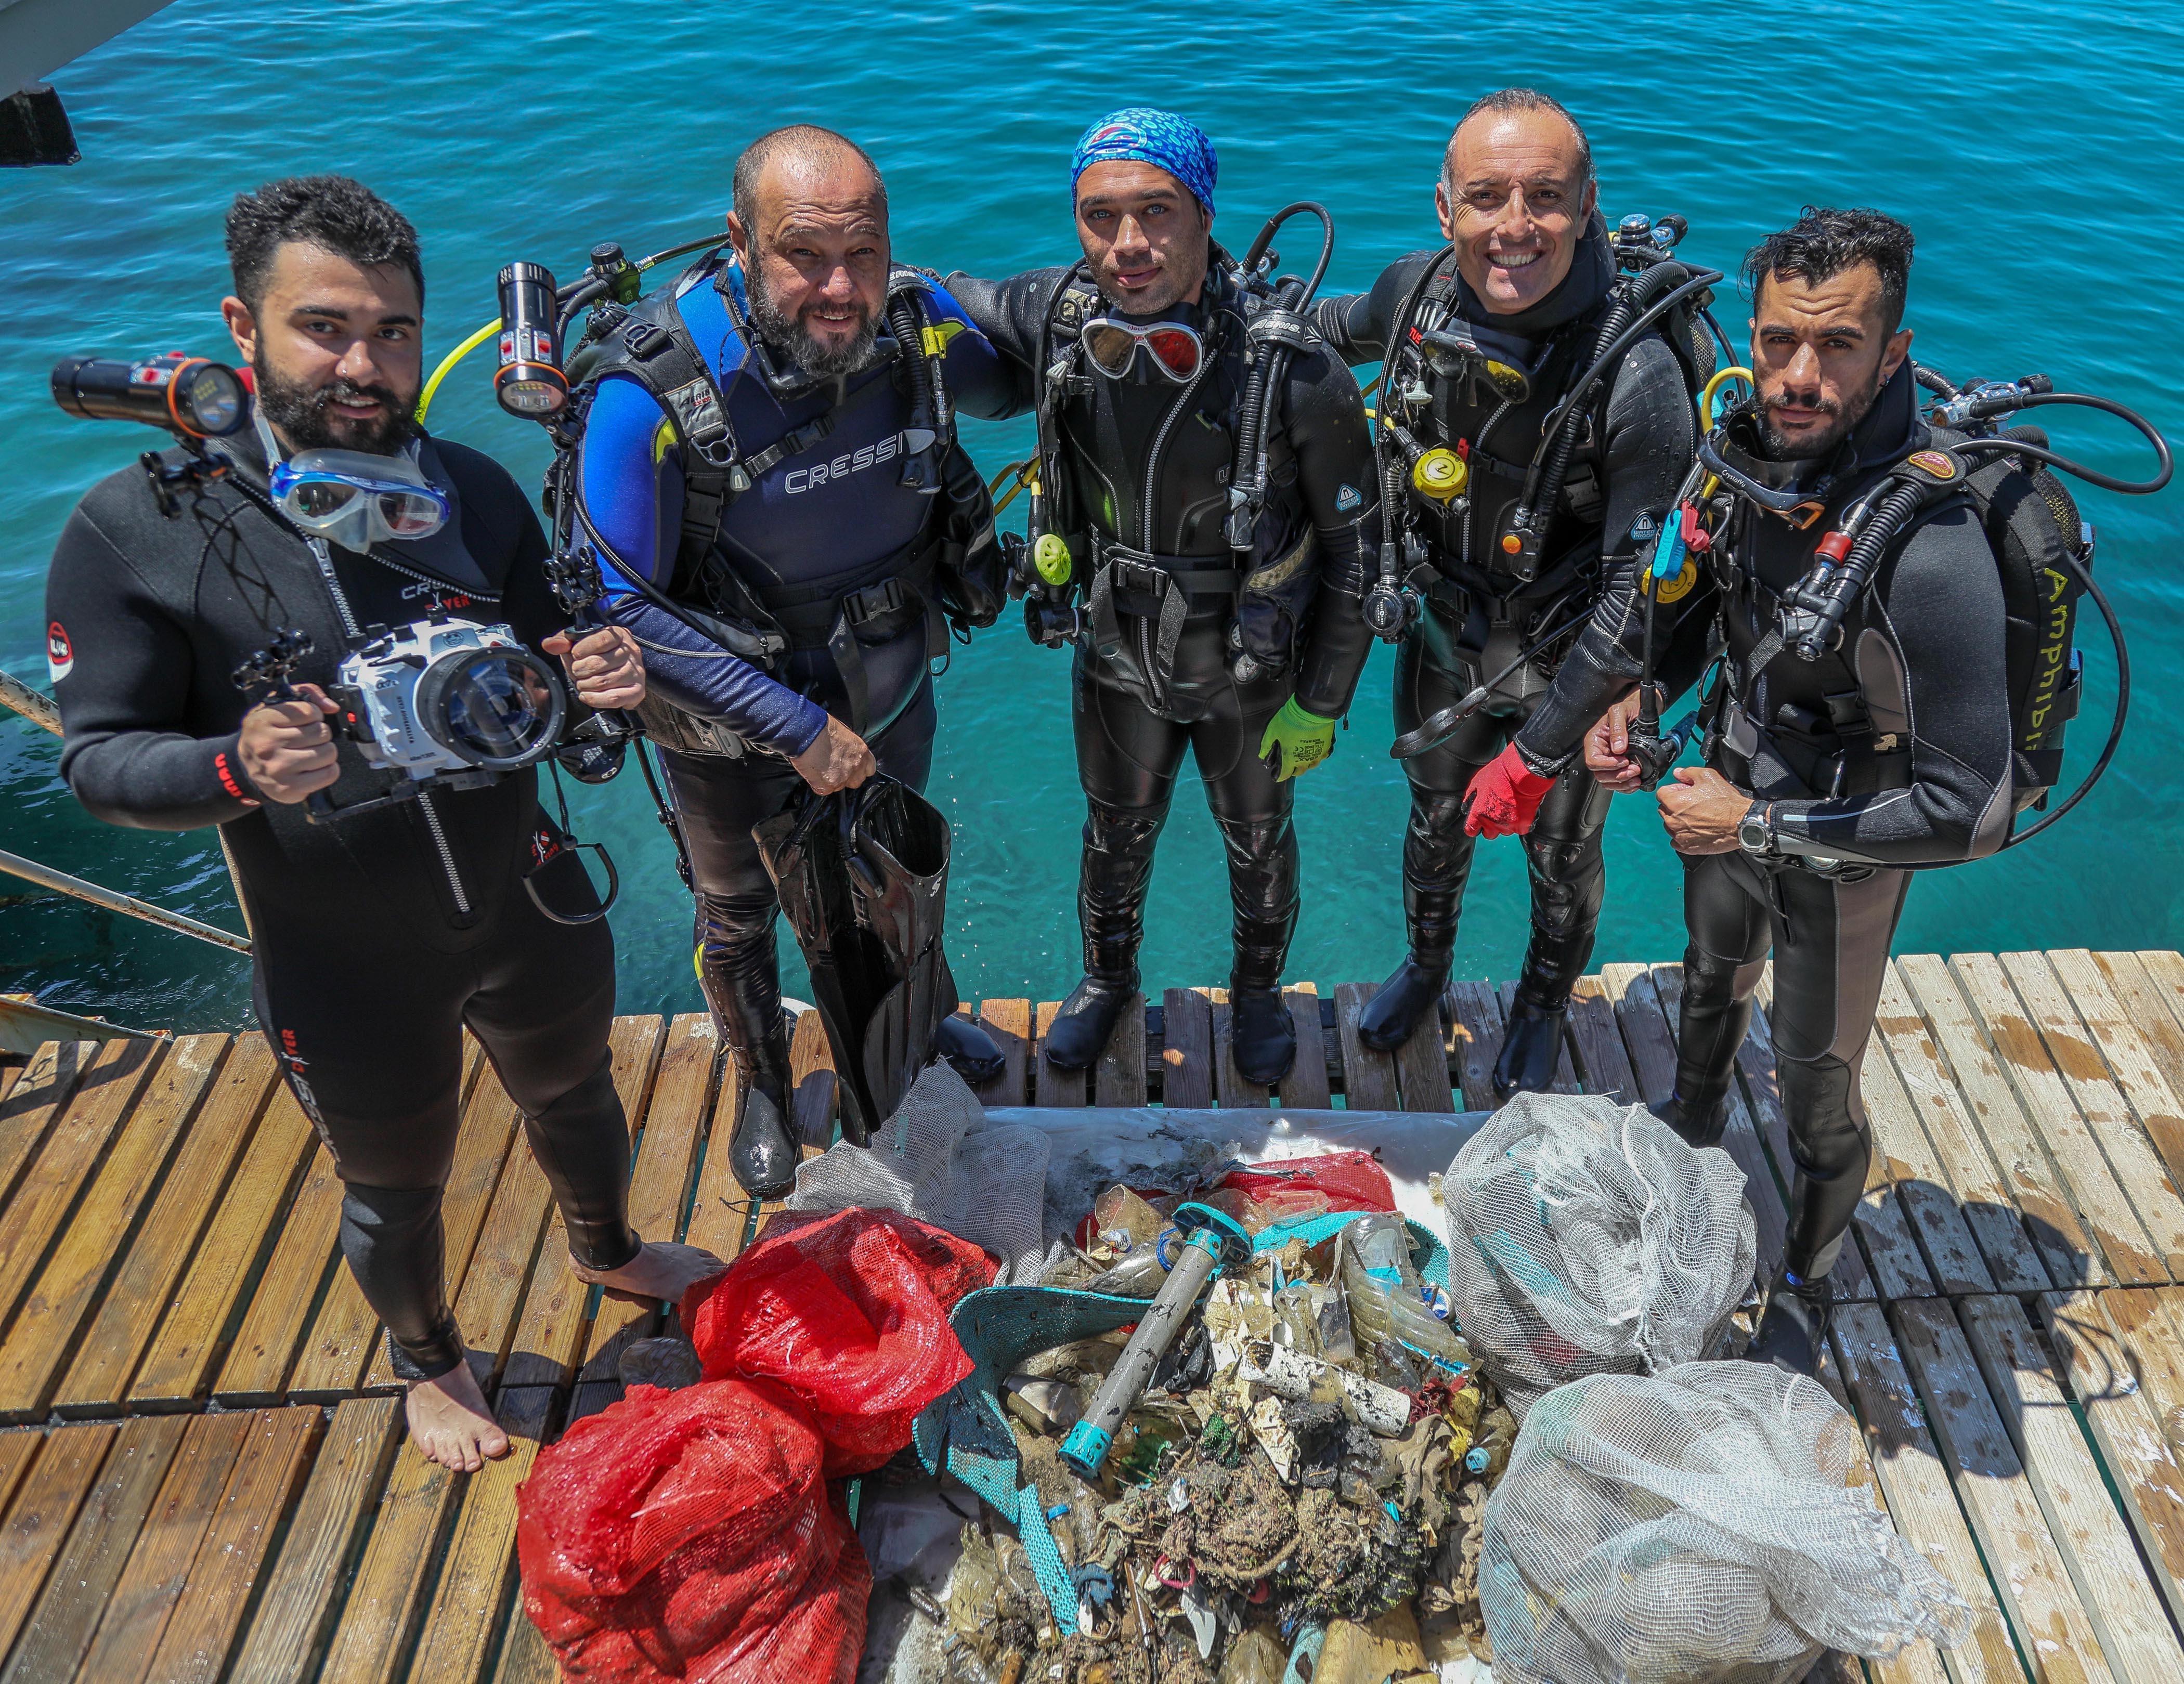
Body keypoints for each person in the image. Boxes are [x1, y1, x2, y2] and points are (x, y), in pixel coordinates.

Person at [44, 176, 722, 1471]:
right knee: (396, 1184)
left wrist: (599, 681)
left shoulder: (470, 489)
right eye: (325, 329)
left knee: (577, 1093)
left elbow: (551, 673)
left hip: (526, 899)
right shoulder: (138, 532)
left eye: (394, 332)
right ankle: (431, 1362)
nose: (364, 367)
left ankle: (609, 1251)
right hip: (343, 953)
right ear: (242, 330)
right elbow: (100, 764)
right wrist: (238, 766)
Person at [1587, 207, 2013, 1375]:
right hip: (1728, 798)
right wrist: (1640, 698)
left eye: (1838, 345)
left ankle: (1811, 1281)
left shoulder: (1930, 547)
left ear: (1894, 350)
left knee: (1819, 1090)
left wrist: (1756, 823)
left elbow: (1975, 809)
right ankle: (1688, 1138)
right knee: (1710, 989)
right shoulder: (1749, 466)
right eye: (1779, 340)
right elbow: (1719, 625)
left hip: (1842, 850)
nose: (1800, 376)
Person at [574, 125, 1016, 1198]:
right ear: (739, 241)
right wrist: (797, 728)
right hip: (729, 721)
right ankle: (764, 1080)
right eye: (804, 256)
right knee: (736, 912)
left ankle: (920, 1022)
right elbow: (617, 603)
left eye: (864, 253)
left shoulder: (916, 324)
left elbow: (1029, 375)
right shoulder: (654, 388)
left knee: (897, 873)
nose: (840, 289)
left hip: (890, 681)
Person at [946, 109, 1378, 1085]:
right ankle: (1108, 982)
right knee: (1112, 836)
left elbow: (1357, 558)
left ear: (1205, 213)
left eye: (1157, 211)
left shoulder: (1289, 366)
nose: (1127, 243)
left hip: (1252, 669)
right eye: (1100, 216)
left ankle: (1259, 992)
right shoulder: (1060, 319)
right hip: (1116, 650)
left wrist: (1324, 700)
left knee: (1258, 844)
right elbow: (939, 293)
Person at [1313, 89, 1702, 1096]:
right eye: (1487, 196)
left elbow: (1641, 589)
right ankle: (1426, 967)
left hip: (1574, 664)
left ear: (1586, 207)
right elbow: (1324, 329)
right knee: (1433, 820)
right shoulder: (1416, 294)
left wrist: (1536, 753)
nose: (1515, 225)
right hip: (1446, 635)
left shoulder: (1636, 371)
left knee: (1562, 853)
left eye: (1546, 196)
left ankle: (1540, 1002)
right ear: (1446, 208)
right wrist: (1209, 316)